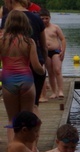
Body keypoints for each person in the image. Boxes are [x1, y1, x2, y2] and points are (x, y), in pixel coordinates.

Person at [0, 9, 46, 143]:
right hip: (26, 81)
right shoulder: (29, 42)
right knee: (27, 120)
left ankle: (13, 150)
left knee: (12, 119)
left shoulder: (1, 41)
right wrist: (43, 71)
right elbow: (36, 66)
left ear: (8, 23)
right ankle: (27, 151)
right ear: (25, 24)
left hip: (8, 81)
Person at [1, 0, 48, 109]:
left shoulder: (6, 18)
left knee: (13, 117)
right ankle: (33, 125)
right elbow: (44, 46)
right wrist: (43, 63)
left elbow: (6, 44)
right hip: (35, 66)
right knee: (34, 106)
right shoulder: (37, 18)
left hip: (10, 72)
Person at [40, 8, 65, 99]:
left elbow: (62, 39)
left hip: (56, 51)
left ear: (50, 18)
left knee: (57, 70)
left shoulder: (55, 27)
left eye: (46, 18)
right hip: (45, 52)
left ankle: (60, 90)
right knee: (50, 72)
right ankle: (54, 92)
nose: (45, 20)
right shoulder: (39, 28)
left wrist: (63, 51)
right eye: (42, 18)